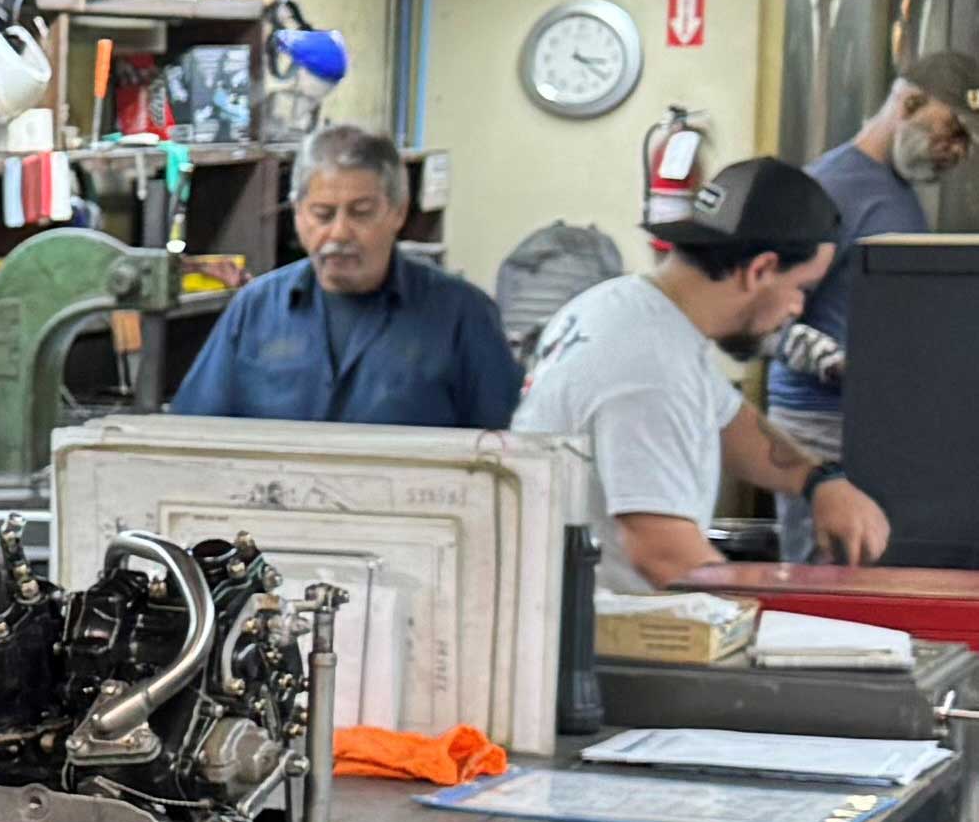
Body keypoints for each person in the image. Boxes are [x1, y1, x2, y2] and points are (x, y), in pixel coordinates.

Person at [513, 154, 886, 584]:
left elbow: (729, 421)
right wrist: (768, 609)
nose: (797, 308)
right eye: (801, 288)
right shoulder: (650, 364)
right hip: (609, 620)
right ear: (761, 269)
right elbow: (663, 553)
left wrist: (818, 480)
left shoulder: (625, 308)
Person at [169, 122, 523, 431]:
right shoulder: (255, 310)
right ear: (298, 214)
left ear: (398, 212)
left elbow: (504, 454)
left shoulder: (463, 315)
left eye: (361, 213)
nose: (339, 233)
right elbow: (193, 434)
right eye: (323, 214)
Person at [766, 50, 978, 541]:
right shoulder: (828, 188)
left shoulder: (897, 195)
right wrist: (832, 361)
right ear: (909, 103)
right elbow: (760, 314)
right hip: (819, 429)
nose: (958, 151)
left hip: (877, 425)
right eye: (952, 130)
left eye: (968, 141)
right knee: (827, 577)